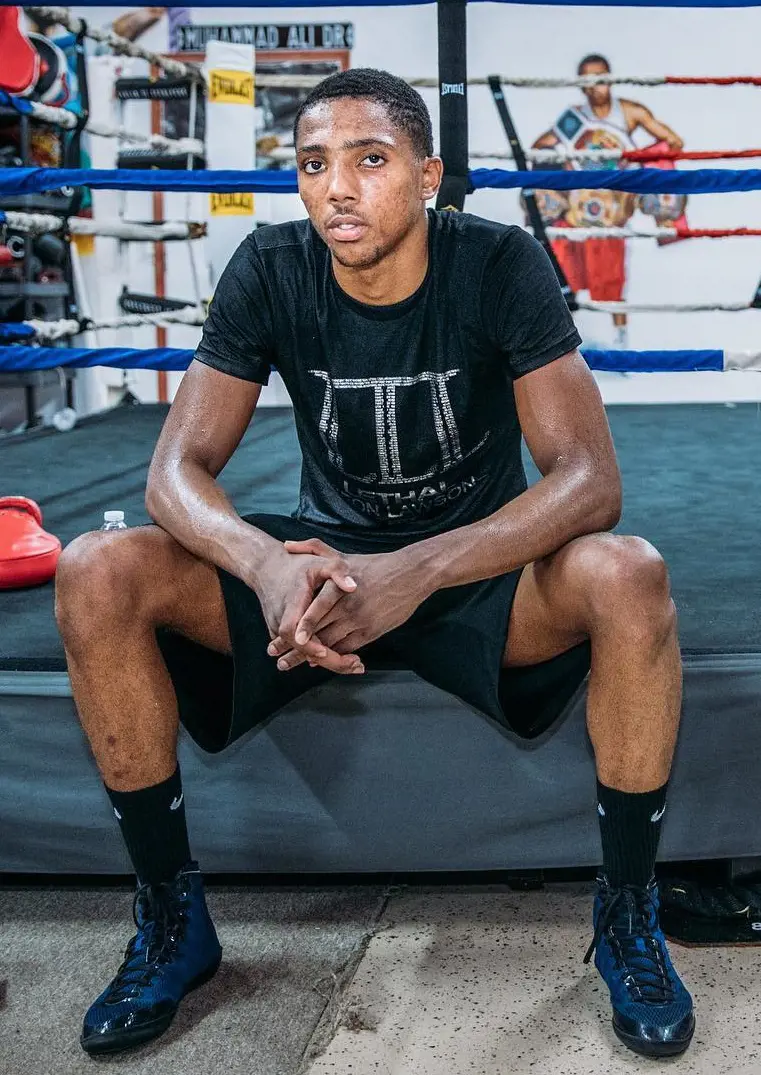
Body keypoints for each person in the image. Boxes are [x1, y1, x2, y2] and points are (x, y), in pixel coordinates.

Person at [55, 68, 694, 1060]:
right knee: (97, 567)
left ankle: (625, 914)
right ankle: (173, 920)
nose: (336, 187)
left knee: (627, 570)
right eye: (314, 164)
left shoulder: (496, 264)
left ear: (427, 176)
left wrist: (420, 569)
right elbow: (173, 471)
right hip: (319, 579)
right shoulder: (270, 267)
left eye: (369, 159)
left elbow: (585, 479)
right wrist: (266, 565)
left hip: (473, 575)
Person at [532, 53, 684, 348]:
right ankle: (564, 347)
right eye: (587, 81)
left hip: (613, 208)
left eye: (599, 78)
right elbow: (539, 147)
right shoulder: (574, 119)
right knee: (566, 280)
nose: (594, 87)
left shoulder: (629, 113)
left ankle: (621, 342)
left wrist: (633, 162)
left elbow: (673, 142)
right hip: (579, 206)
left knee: (611, 282)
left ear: (609, 78)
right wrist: (568, 160)